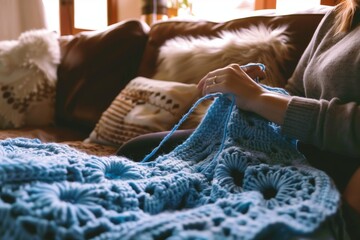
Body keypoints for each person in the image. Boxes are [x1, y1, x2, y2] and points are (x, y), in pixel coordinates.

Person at [118, 0, 360, 237]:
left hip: (336, 156)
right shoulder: (340, 15)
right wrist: (255, 91)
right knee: (135, 151)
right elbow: (295, 91)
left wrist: (258, 97)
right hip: (290, 140)